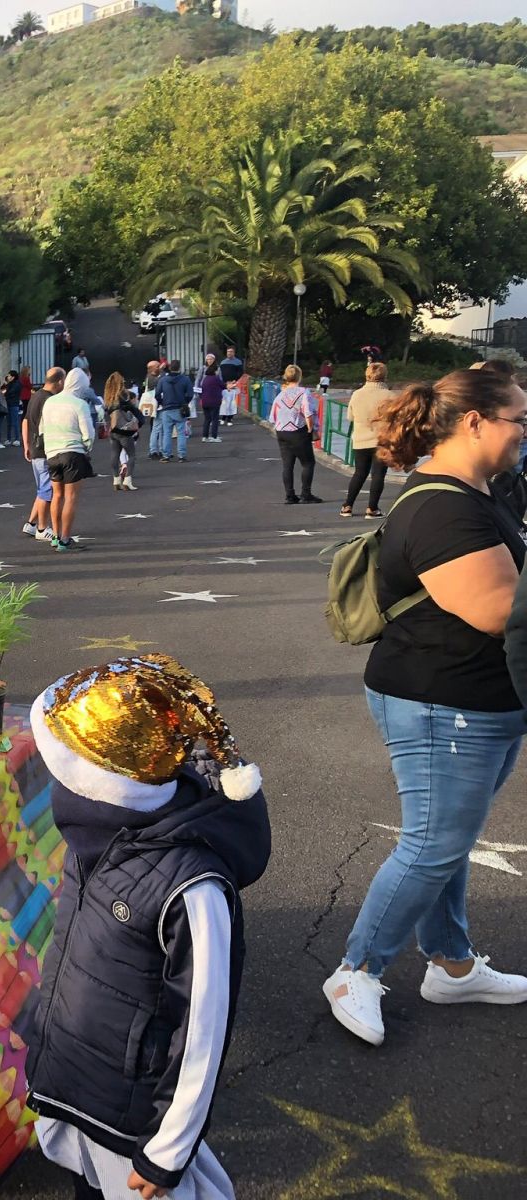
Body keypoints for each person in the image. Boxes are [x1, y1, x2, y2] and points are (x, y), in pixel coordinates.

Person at [327, 368, 527, 1047]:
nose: (524, 433)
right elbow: (500, 611)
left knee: (448, 839)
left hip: (480, 701)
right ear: (474, 422)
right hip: (442, 701)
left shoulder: (483, 489)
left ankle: (452, 965)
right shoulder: (444, 509)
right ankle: (356, 970)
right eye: (518, 420)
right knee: (434, 842)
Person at [27, 654, 268, 1200]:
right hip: (78, 1081)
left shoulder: (192, 888)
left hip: (132, 1116)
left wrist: (167, 1152)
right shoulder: (96, 839)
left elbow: (203, 1028)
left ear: (99, 781)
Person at [43, 368, 97, 552]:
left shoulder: (50, 402)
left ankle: (56, 536)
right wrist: (87, 448)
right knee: (71, 497)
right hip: (72, 453)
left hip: (51, 453)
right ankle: (65, 540)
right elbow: (88, 434)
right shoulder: (79, 404)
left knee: (57, 495)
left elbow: (43, 428)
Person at [342, 362, 395, 518]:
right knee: (378, 475)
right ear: (384, 376)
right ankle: (372, 508)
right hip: (382, 441)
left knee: (359, 473)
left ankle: (347, 506)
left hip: (360, 439)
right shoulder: (390, 396)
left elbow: (350, 417)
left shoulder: (357, 394)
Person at [21, 367, 64, 543]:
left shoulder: (36, 396)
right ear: (59, 381)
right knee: (48, 491)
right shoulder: (49, 400)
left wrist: (26, 445)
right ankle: (42, 528)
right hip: (45, 450)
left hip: (34, 448)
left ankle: (31, 523)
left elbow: (25, 420)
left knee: (42, 490)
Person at [269, 365, 322, 504]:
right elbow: (308, 412)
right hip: (297, 431)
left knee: (287, 465)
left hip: (281, 431)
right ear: (299, 376)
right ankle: (306, 494)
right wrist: (311, 429)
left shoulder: (281, 394)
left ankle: (290, 495)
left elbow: (273, 416)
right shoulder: (303, 392)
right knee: (308, 463)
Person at [103, 372, 143, 492]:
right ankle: (127, 481)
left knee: (115, 454)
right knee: (131, 455)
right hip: (124, 429)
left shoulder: (108, 397)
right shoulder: (123, 395)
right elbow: (131, 408)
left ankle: (116, 480)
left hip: (113, 429)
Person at [153, 360, 193, 463]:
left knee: (167, 433)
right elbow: (190, 394)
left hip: (167, 409)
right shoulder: (185, 379)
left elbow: (157, 394)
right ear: (179, 368)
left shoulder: (163, 380)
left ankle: (166, 455)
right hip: (180, 409)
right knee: (181, 433)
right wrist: (185, 402)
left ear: (170, 367)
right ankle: (182, 456)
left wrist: (162, 403)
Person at [198, 363, 224, 442]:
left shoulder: (205, 379)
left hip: (205, 402)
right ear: (215, 371)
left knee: (207, 419)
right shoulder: (216, 378)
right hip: (214, 401)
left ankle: (204, 437)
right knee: (215, 419)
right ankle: (214, 437)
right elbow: (223, 386)